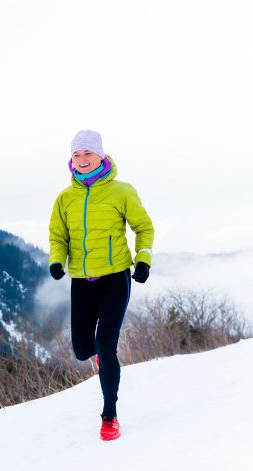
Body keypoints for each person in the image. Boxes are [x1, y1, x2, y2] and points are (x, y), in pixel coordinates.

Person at [48, 129, 154, 441]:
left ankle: (109, 415)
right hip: (81, 280)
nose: (81, 160)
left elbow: (143, 227)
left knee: (106, 343)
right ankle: (99, 356)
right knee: (83, 349)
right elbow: (58, 236)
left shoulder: (122, 191)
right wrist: (57, 260)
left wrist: (143, 259)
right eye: (76, 154)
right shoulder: (65, 198)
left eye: (88, 153)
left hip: (115, 278)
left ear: (101, 156)